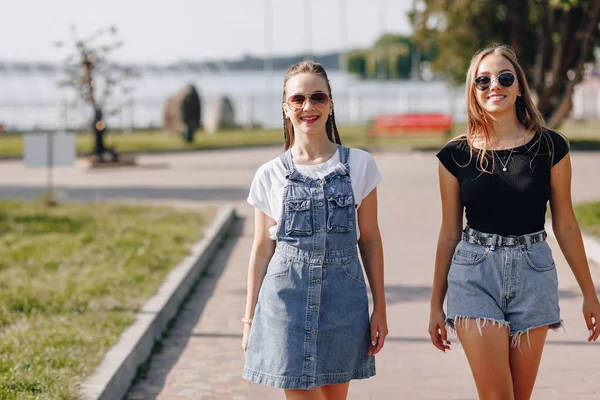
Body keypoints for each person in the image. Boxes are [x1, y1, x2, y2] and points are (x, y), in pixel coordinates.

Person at [429, 44, 600, 399]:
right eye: (483, 80)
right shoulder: (455, 156)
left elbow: (565, 224)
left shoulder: (551, 148)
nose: (495, 85)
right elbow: (449, 233)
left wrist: (589, 293)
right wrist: (435, 304)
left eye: (505, 77)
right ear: (473, 91)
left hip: (533, 273)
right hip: (474, 273)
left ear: (519, 86)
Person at [242, 61, 388, 399]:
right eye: (298, 99)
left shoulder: (360, 165)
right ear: (286, 108)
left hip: (343, 303)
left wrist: (379, 307)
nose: (308, 107)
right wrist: (249, 321)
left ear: (331, 104)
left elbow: (370, 240)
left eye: (318, 97)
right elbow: (261, 250)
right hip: (285, 304)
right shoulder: (269, 175)